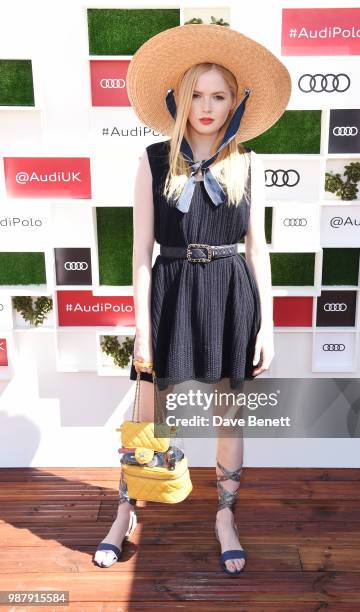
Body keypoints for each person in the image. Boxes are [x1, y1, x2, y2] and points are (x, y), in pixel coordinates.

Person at [94, 23, 291, 574]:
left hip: (231, 295)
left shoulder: (249, 165)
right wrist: (141, 328)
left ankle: (225, 516)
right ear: (179, 98)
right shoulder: (154, 161)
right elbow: (139, 253)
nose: (206, 106)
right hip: (171, 292)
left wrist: (267, 326)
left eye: (219, 95)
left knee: (231, 414)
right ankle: (125, 511)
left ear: (237, 102)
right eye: (196, 94)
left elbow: (260, 250)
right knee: (148, 415)